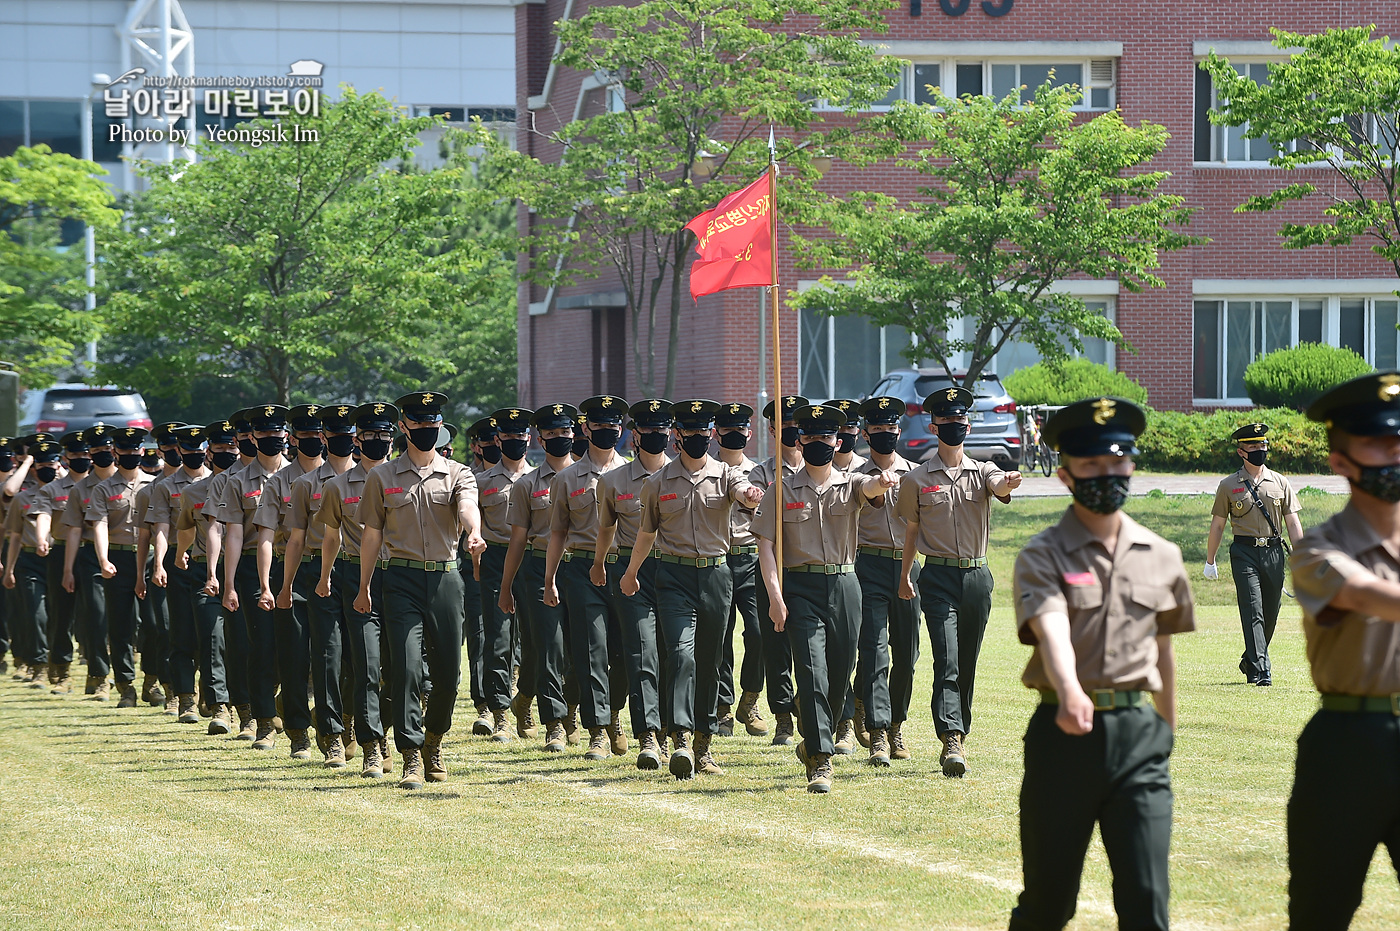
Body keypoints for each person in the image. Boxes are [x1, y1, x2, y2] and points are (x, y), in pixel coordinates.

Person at [1008, 396, 1194, 931]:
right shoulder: (1043, 553)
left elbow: (1164, 650)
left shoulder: (1162, 553)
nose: (1106, 476)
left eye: (1117, 464)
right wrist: (1069, 690)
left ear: (1131, 466)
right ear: (1066, 476)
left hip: (1139, 737)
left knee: (1146, 900)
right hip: (1062, 737)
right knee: (1049, 901)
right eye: (1091, 467)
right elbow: (1051, 628)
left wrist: (1165, 731)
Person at [1286, 371, 1400, 929]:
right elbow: (1363, 593)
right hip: (1349, 745)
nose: (1395, 452)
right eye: (1379, 441)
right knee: (1321, 908)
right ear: (1340, 460)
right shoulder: (1317, 548)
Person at [753, 404, 898, 793]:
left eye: (827, 437)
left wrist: (880, 484)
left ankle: (817, 734)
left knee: (839, 674)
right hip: (800, 588)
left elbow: (868, 490)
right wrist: (775, 597)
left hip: (846, 586)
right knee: (812, 672)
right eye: (812, 436)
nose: (819, 442)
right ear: (800, 439)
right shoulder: (780, 490)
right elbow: (765, 546)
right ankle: (821, 758)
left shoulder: (852, 482)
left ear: (838, 441)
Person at [620, 400, 762, 779]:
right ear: (677, 436)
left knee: (710, 660)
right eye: (691, 432)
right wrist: (631, 573)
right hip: (673, 577)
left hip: (716, 575)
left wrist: (750, 496)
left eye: (704, 432)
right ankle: (680, 738)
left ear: (711, 434)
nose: (699, 438)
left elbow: (744, 490)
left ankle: (704, 744)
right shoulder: (657, 484)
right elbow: (646, 534)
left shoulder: (726, 475)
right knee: (681, 655)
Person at [355, 391, 483, 789]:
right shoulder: (382, 477)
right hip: (400, 580)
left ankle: (434, 741)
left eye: (434, 425)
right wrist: (364, 587)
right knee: (408, 668)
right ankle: (410, 753)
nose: (428, 430)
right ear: (404, 427)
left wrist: (474, 532)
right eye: (421, 425)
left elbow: (466, 507)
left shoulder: (459, 473)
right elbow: (372, 536)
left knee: (448, 672)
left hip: (445, 578)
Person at [897, 386, 1022, 776]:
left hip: (977, 577)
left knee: (966, 660)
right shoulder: (917, 479)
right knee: (946, 658)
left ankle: (959, 732)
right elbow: (912, 532)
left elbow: (998, 484)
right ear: (934, 426)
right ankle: (950, 736)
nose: (956, 425)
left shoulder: (983, 471)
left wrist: (1009, 481)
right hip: (936, 577)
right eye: (948, 420)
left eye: (961, 419)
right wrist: (905, 575)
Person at [543, 395, 631, 761]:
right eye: (600, 426)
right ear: (586, 429)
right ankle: (596, 730)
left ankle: (614, 713)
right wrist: (549, 579)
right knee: (591, 649)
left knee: (626, 652)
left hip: (625, 569)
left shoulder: (635, 473)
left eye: (614, 425)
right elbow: (558, 533)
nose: (608, 431)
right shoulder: (566, 479)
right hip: (580, 569)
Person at [316, 401, 397, 778]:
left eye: (385, 435)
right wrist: (325, 576)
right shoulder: (336, 486)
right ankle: (371, 744)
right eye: (370, 436)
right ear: (357, 441)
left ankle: (388, 730)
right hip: (354, 576)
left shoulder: (406, 479)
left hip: (400, 576)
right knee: (364, 664)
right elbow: (330, 537)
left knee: (400, 669)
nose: (378, 442)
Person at [499, 403, 580, 752]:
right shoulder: (527, 485)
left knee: (581, 647)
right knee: (549, 648)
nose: (559, 438)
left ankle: (572, 709)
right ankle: (554, 724)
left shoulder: (591, 478)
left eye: (564, 432)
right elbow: (517, 540)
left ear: (574, 434)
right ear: (540, 439)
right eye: (551, 433)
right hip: (536, 569)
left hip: (580, 567)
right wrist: (505, 588)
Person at [597, 399, 673, 768]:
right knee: (640, 652)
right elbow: (606, 529)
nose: (656, 436)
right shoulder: (613, 482)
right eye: (649, 430)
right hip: (631, 572)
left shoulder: (681, 477)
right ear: (635, 436)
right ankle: (647, 735)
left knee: (675, 654)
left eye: (662, 430)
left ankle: (677, 733)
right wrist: (600, 564)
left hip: (677, 570)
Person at [283, 404, 358, 767]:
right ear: (324, 437)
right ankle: (329, 735)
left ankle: (351, 722)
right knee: (326, 654)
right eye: (336, 433)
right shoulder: (304, 485)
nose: (343, 439)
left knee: (360, 658)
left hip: (361, 571)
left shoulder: (372, 479)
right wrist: (284, 586)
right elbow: (296, 540)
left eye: (349, 432)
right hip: (317, 573)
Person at [1204, 422, 1303, 687]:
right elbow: (1218, 524)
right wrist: (1209, 560)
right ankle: (1261, 670)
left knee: (1271, 612)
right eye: (1253, 446)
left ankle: (1250, 658)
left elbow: (1292, 522)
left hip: (1273, 553)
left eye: (1263, 445)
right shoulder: (1228, 485)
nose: (1260, 449)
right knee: (1253, 610)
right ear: (1241, 452)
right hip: (1244, 552)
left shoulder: (1280, 482)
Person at [851, 396, 920, 766]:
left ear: (898, 430)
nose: (885, 434)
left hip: (908, 568)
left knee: (907, 655)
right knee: (875, 651)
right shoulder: (855, 477)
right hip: (869, 567)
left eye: (890, 428)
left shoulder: (916, 472)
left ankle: (896, 725)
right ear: (865, 433)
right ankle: (878, 734)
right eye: (877, 429)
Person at [255, 403, 326, 760]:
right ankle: (298, 731)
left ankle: (331, 725)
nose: (313, 440)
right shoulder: (278, 482)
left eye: (318, 434)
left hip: (334, 569)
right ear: (293, 439)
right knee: (294, 654)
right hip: (292, 571)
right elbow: (266, 536)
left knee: (331, 656)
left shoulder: (341, 476)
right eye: (306, 436)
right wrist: (269, 584)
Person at [219, 404, 291, 750]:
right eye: (263, 434)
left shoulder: (299, 476)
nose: (271, 439)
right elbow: (233, 533)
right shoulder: (237, 482)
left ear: (285, 436)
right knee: (260, 645)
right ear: (252, 437)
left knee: (292, 645)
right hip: (251, 566)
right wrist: (230, 583)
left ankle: (284, 707)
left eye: (277, 433)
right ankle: (262, 721)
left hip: (292, 564)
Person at [746, 394, 807, 745]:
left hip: (810, 566)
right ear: (772, 428)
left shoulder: (821, 467)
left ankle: (807, 701)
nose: (794, 430)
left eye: (798, 423)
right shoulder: (762, 473)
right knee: (776, 642)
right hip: (774, 566)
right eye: (786, 424)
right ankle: (783, 715)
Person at [172, 420, 239, 735]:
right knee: (212, 638)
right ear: (208, 452)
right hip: (203, 570)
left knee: (243, 640)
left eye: (231, 446)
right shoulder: (193, 491)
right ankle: (219, 706)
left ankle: (249, 705)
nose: (226, 452)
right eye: (220, 448)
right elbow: (185, 527)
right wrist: (179, 553)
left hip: (243, 570)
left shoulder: (251, 485)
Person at [475, 408, 535, 741]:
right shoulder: (482, 482)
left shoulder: (541, 478)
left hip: (531, 558)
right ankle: (500, 713)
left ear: (529, 439)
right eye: (508, 438)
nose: (515, 443)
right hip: (495, 557)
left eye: (520, 437)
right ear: (498, 440)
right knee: (497, 638)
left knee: (535, 640)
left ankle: (523, 698)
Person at [87, 426, 157, 708]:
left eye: (134, 450)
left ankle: (152, 681)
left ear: (142, 451)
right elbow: (100, 524)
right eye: (124, 450)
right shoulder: (103, 488)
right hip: (118, 559)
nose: (130, 454)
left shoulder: (155, 484)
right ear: (115, 453)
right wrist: (103, 560)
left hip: (152, 559)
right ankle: (125, 686)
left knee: (155, 624)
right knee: (120, 625)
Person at [714, 402, 767, 739]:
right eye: (727, 430)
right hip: (717, 559)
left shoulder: (760, 473)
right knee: (718, 637)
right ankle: (721, 708)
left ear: (750, 433)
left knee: (759, 632)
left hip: (751, 558)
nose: (735, 435)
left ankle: (750, 698)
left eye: (741, 429)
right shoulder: (705, 470)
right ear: (716, 434)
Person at [62, 424, 118, 699]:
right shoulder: (80, 489)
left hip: (126, 556)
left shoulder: (134, 481)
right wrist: (68, 569)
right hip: (90, 557)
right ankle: (99, 676)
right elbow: (74, 530)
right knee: (96, 617)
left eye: (106, 448)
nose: (102, 454)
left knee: (128, 620)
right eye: (95, 450)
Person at [2, 440, 63, 691]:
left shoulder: (67, 493)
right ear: (34, 468)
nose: (47, 468)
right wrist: (10, 569)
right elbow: (14, 536)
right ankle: (38, 666)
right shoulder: (22, 498)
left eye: (52, 463)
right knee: (35, 613)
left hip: (59, 557)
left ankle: (57, 662)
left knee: (57, 616)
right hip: (28, 560)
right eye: (42, 464)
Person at [29, 437, 78, 693]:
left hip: (94, 552)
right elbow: (44, 515)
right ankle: (61, 667)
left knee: (97, 615)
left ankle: (100, 672)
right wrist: (41, 539)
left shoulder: (99, 486)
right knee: (61, 612)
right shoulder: (54, 488)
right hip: (60, 552)